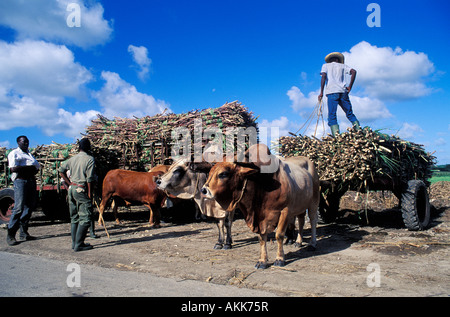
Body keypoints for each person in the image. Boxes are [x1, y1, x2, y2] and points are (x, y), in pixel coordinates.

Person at [59, 138, 95, 251]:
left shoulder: (72, 159)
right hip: (81, 189)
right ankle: (79, 244)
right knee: (85, 217)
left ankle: (74, 243)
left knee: (74, 217)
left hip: (72, 189)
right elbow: (89, 179)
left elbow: (61, 170)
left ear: (79, 147)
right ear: (88, 148)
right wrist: (89, 193)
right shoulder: (89, 159)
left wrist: (69, 183)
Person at [6, 136, 40, 246]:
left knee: (29, 207)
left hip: (30, 181)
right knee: (18, 208)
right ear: (18, 142)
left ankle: (23, 233)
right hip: (20, 181)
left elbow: (36, 167)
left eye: (27, 141)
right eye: (23, 141)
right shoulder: (14, 153)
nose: (26, 143)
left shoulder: (29, 154)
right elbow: (13, 169)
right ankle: (11, 234)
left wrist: (28, 168)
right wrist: (29, 168)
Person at [318, 52, 360, 136]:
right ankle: (359, 132)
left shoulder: (326, 66)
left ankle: (337, 137)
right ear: (338, 60)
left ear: (330, 60)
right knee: (349, 113)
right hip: (343, 92)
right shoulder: (343, 66)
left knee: (332, 115)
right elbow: (354, 72)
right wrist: (350, 86)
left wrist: (321, 92)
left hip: (332, 92)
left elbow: (323, 77)